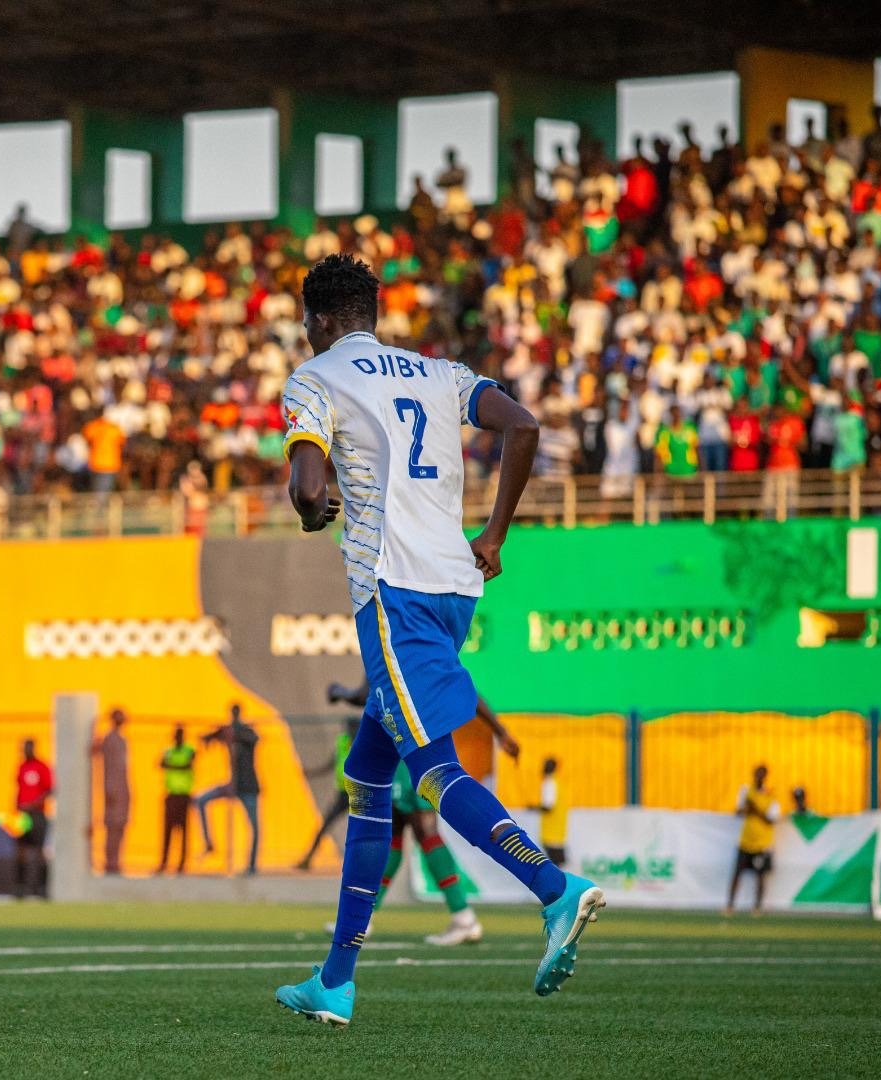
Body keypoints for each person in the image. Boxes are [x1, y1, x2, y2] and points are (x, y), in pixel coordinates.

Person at [275, 254, 604, 1027]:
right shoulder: (438, 372)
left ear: (320, 321)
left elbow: (307, 487)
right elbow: (521, 424)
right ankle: (335, 981)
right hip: (455, 583)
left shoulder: (314, 378)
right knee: (367, 784)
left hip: (394, 591)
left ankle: (554, 891)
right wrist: (494, 534)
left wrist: (309, 505)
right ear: (370, 312)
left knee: (433, 773)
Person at [325, 679, 522, 946]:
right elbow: (464, 691)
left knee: (424, 830)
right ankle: (363, 919)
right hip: (406, 749)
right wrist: (500, 732)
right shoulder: (409, 645)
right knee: (394, 831)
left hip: (412, 752)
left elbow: (462, 688)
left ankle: (464, 917)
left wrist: (341, 693)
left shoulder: (398, 643)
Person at [197, 704, 260, 875]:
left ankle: (252, 866)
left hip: (247, 786)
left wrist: (235, 734)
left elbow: (254, 738)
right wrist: (213, 736)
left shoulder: (246, 732)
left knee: (254, 827)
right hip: (232, 785)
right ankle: (209, 842)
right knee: (200, 800)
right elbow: (207, 737)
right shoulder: (227, 731)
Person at [296, 713, 361, 871]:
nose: (349, 730)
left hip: (360, 792)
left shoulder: (363, 743)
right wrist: (312, 773)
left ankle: (364, 865)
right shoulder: (343, 741)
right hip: (343, 792)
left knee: (363, 829)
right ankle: (308, 858)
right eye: (348, 727)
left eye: (352, 727)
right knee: (326, 823)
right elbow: (332, 763)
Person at [725, 764, 780, 915]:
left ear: (765, 776)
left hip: (762, 843)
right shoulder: (746, 792)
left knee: (760, 876)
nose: (758, 777)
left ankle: (757, 907)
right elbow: (738, 812)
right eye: (756, 774)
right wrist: (748, 808)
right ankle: (730, 905)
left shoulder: (770, 795)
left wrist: (755, 809)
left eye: (761, 774)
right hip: (745, 840)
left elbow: (772, 820)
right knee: (737, 873)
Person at [93, 707, 130, 874]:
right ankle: (110, 862)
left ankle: (116, 861)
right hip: (113, 789)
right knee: (112, 827)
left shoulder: (122, 739)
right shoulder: (109, 739)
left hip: (123, 789)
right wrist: (110, 790)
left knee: (120, 826)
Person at [15, 739, 53, 899]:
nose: (24, 751)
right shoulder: (22, 767)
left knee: (39, 852)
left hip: (37, 815)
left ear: (32, 748)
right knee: (21, 851)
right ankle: (20, 889)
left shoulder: (42, 767)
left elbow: (49, 789)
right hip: (23, 816)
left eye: (26, 748)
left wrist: (34, 804)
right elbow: (20, 789)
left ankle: (42, 889)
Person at [157, 725, 196, 874]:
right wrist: (177, 766)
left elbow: (188, 766)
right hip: (171, 795)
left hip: (184, 796)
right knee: (167, 832)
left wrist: (172, 766)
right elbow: (160, 764)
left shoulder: (189, 750)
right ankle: (164, 862)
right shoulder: (168, 751)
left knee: (184, 832)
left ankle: (182, 864)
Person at [536, 758, 567, 867]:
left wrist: (534, 808)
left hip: (551, 831)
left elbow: (548, 806)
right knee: (559, 863)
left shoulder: (549, 782)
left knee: (554, 864)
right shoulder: (559, 782)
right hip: (559, 829)